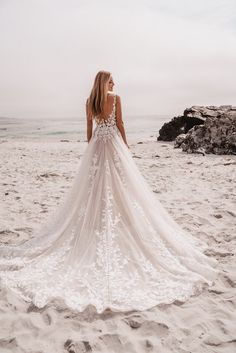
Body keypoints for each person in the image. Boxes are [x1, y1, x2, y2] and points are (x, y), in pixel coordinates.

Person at [0, 70, 219, 314]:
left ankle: (100, 218)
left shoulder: (89, 100)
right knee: (120, 184)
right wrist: (125, 145)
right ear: (105, 82)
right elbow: (120, 124)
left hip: (97, 145)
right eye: (112, 79)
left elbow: (88, 128)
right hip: (113, 143)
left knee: (94, 186)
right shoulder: (115, 98)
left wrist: (90, 147)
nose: (115, 83)